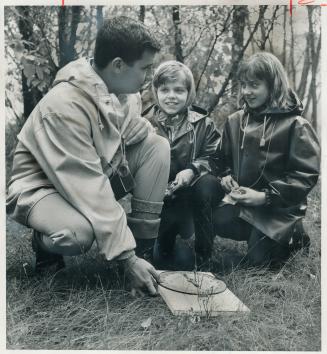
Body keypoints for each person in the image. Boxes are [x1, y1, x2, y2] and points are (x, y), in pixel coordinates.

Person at [6, 16, 171, 296]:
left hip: (92, 174)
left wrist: (140, 128)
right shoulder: (64, 106)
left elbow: (115, 137)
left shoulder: (125, 93)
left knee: (157, 145)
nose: (147, 78)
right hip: (42, 187)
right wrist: (125, 258)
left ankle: (145, 252)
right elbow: (89, 187)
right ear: (118, 65)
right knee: (77, 235)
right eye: (145, 68)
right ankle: (45, 243)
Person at [210, 52, 320, 267]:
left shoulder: (295, 125)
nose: (247, 92)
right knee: (216, 220)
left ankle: (294, 235)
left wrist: (264, 197)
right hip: (242, 203)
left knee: (259, 265)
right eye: (244, 85)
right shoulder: (235, 121)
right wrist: (224, 176)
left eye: (254, 85)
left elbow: (304, 176)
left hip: (278, 209)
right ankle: (258, 237)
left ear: (273, 85)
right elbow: (219, 160)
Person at [142, 60, 224, 269]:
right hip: (161, 198)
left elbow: (215, 156)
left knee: (206, 185)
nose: (171, 96)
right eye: (165, 90)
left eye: (179, 90)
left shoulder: (203, 122)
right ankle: (159, 243)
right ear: (156, 91)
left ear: (189, 93)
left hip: (195, 192)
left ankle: (204, 256)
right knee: (162, 260)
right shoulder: (145, 122)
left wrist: (193, 170)